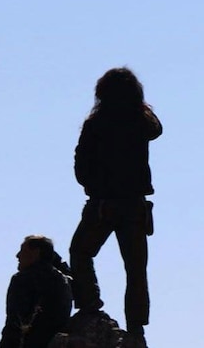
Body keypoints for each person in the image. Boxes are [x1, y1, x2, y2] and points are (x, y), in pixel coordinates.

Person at [69, 67, 162, 348]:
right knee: (135, 269)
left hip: (103, 204)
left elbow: (81, 164)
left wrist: (92, 185)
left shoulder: (97, 122)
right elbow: (157, 128)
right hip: (134, 205)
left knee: (81, 251)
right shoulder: (140, 121)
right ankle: (136, 327)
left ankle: (89, 302)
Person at [0, 235, 73, 348]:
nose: (18, 255)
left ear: (35, 253)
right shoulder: (63, 282)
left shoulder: (22, 279)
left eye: (22, 250)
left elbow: (16, 322)